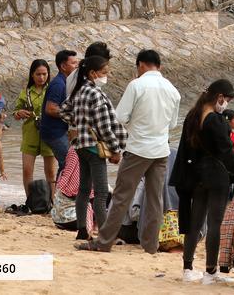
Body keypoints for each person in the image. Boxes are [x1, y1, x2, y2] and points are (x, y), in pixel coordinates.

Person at [77, 50, 181, 254]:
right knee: (155, 199)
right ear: (158, 66)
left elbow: (121, 116)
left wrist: (137, 126)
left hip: (138, 148)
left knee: (121, 197)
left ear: (141, 65)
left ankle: (104, 242)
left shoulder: (137, 85)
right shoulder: (172, 89)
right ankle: (150, 244)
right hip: (161, 150)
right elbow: (173, 123)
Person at [171, 79, 234, 284]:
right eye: (228, 100)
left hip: (196, 175)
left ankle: (187, 268)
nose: (227, 104)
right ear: (220, 97)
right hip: (216, 175)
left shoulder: (192, 115)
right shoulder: (215, 120)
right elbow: (227, 153)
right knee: (215, 224)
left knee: (195, 222)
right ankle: (210, 272)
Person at [58, 55, 125, 239]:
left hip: (81, 146)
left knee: (84, 190)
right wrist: (116, 149)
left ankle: (82, 230)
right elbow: (105, 127)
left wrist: (79, 122)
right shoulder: (95, 93)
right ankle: (104, 234)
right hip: (95, 148)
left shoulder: (79, 91)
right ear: (93, 73)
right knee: (101, 193)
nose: (106, 76)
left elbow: (63, 110)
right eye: (104, 72)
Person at [12, 59, 58, 202]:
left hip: (49, 134)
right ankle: (30, 201)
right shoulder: (25, 92)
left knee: (51, 172)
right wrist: (19, 113)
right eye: (38, 74)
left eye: (44, 74)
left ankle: (52, 201)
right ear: (32, 75)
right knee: (27, 170)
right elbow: (15, 112)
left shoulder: (53, 90)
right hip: (30, 134)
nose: (41, 78)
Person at [38, 49, 79, 178]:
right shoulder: (58, 84)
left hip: (58, 131)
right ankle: (62, 195)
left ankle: (58, 195)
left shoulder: (65, 82)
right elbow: (50, 109)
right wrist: (74, 115)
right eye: (73, 63)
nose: (77, 66)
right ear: (63, 66)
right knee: (69, 165)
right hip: (54, 133)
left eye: (77, 62)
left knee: (66, 165)